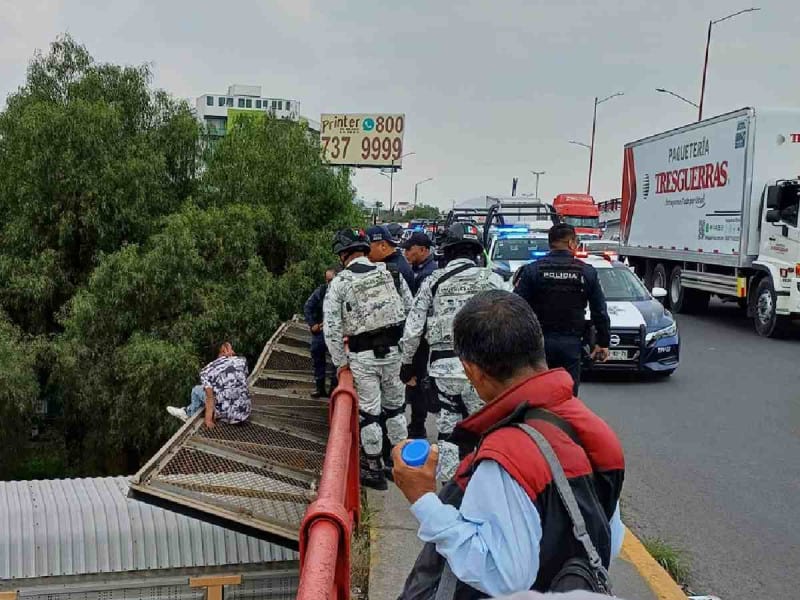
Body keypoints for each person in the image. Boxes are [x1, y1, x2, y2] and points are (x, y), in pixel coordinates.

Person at [394, 291, 625, 598]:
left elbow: (502, 576)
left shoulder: (507, 456)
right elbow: (610, 536)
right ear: (538, 346)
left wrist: (422, 499)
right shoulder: (589, 426)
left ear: (471, 370)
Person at [399, 223, 505, 481]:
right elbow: (512, 324)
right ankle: (484, 485)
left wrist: (407, 364)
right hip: (483, 371)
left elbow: (413, 329)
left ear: (446, 251)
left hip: (445, 371)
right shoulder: (493, 279)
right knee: (485, 430)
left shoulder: (433, 282)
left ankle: (449, 489)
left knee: (448, 430)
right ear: (476, 252)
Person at [324, 228, 413, 490]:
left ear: (343, 255)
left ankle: (374, 469)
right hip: (394, 353)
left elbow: (331, 327)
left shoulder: (340, 283)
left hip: (363, 357)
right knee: (396, 409)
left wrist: (341, 363)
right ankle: (400, 465)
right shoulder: (391, 274)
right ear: (364, 249)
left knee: (370, 414)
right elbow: (410, 311)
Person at [514, 223, 610, 394]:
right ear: (572, 243)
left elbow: (515, 307)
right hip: (571, 344)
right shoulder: (586, 272)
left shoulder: (532, 271)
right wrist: (603, 343)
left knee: (539, 394)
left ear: (550, 244)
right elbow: (599, 310)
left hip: (538, 344)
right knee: (567, 396)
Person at [400, 230, 438, 439]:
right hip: (419, 337)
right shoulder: (417, 270)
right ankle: (416, 425)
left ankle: (418, 426)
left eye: (410, 248)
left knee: (420, 382)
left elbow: (419, 314)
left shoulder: (429, 274)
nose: (406, 252)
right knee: (416, 383)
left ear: (423, 250)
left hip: (423, 339)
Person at [167, 342, 252, 427]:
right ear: (224, 351)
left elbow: (210, 398)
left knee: (196, 390)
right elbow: (240, 380)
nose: (233, 351)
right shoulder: (242, 361)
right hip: (245, 412)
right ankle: (187, 411)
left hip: (227, 416)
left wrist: (208, 420)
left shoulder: (206, 371)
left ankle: (187, 414)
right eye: (230, 349)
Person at [303, 267, 338, 398]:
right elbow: (308, 307)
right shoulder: (321, 291)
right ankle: (320, 387)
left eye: (332, 280)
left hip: (336, 331)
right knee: (317, 355)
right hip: (321, 331)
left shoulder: (343, 291)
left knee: (337, 359)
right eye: (327, 280)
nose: (329, 283)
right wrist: (312, 325)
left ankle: (334, 388)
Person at [367, 224, 416, 293]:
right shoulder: (394, 263)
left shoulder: (395, 270)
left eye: (368, 248)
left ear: (383, 246)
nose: (366, 253)